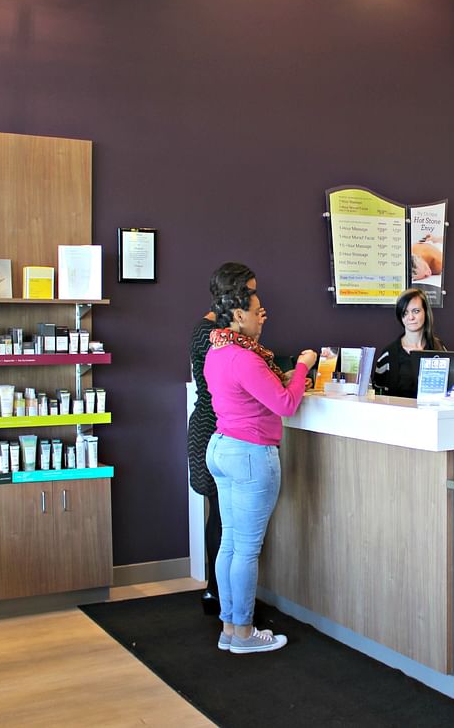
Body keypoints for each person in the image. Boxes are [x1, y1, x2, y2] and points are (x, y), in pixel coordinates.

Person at [204, 262, 317, 654]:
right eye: (257, 311)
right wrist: (303, 366)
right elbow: (285, 405)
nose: (262, 318)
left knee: (230, 544)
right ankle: (245, 632)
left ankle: (229, 628)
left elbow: (255, 393)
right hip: (250, 453)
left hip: (222, 447)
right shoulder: (246, 357)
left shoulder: (217, 351)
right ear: (238, 315)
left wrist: (284, 377)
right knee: (246, 549)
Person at [187, 263, 261, 616]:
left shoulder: (223, 334)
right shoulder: (211, 334)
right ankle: (219, 594)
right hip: (213, 428)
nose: (255, 300)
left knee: (223, 517)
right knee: (221, 516)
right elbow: (241, 375)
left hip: (221, 429)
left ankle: (221, 594)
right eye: (250, 291)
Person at [373, 288, 444, 398]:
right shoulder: (388, 355)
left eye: (416, 311)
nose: (411, 317)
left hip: (432, 414)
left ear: (425, 312)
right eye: (405, 313)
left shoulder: (440, 348)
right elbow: (377, 396)